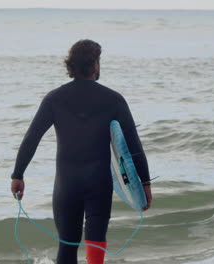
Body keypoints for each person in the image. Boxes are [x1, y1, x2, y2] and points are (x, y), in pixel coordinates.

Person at [10, 39, 152, 264]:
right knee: (96, 242)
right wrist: (144, 184)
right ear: (94, 64)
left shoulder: (54, 99)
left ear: (72, 65)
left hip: (67, 183)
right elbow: (133, 146)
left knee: (67, 244)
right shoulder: (113, 99)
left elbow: (32, 138)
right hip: (99, 182)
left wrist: (18, 174)